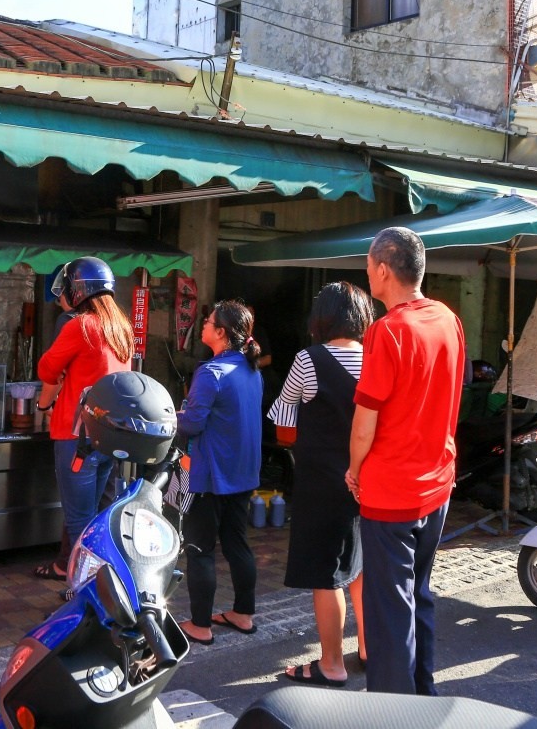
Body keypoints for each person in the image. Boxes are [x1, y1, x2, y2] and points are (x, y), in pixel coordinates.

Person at [344, 227, 467, 695]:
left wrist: (355, 469)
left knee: (388, 609)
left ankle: (393, 710)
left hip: (392, 488)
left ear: (381, 270)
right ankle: (423, 693)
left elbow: (364, 421)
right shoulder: (447, 318)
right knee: (418, 594)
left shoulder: (387, 330)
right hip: (436, 481)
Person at [269, 282, 375, 687]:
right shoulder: (376, 357)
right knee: (361, 565)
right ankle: (368, 649)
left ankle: (331, 663)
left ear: (321, 317)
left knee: (326, 572)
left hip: (322, 481)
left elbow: (284, 426)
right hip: (368, 478)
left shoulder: (309, 360)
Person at [32, 257, 132, 581]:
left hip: (76, 437)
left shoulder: (81, 325)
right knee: (94, 519)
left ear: (77, 290)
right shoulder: (121, 327)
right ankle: (100, 588)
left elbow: (47, 369)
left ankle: (84, 593)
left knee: (79, 523)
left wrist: (43, 404)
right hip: (108, 436)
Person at [177, 300, 264, 647]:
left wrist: (169, 418)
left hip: (211, 474)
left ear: (222, 333)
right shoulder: (250, 369)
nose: (203, 325)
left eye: (208, 321)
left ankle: (200, 625)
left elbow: (193, 423)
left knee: (200, 549)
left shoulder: (211, 372)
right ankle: (243, 614)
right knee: (237, 543)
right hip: (243, 473)